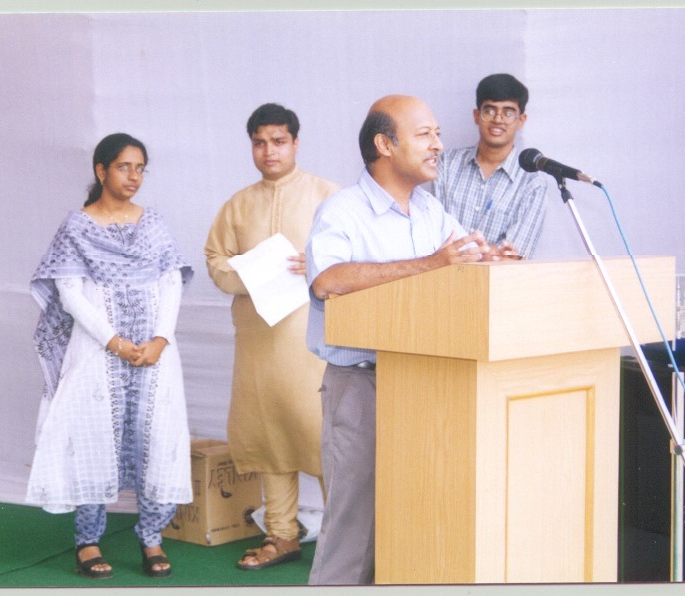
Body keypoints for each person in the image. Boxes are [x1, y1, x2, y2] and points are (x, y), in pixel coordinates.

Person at [305, 95, 509, 585]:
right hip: (362, 387)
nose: (438, 144)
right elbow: (327, 280)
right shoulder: (343, 210)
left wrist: (492, 260)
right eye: (425, 134)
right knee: (354, 527)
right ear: (384, 144)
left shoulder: (430, 210)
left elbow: (461, 268)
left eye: (437, 133)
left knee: (415, 522)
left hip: (428, 388)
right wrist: (434, 264)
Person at [26, 133, 193, 580]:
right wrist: (115, 341)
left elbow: (171, 282)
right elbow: (69, 293)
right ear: (101, 171)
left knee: (156, 438)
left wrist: (160, 340)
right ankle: (88, 541)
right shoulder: (77, 226)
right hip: (99, 352)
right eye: (124, 167)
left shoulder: (153, 224)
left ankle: (151, 537)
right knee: (93, 438)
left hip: (155, 356)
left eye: (140, 168)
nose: (134, 176)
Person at [205, 103, 339, 571]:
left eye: (279, 141)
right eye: (260, 142)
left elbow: (359, 256)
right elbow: (216, 261)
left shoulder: (329, 197)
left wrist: (318, 263)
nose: (269, 151)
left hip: (314, 341)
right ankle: (281, 534)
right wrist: (253, 274)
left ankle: (346, 541)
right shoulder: (238, 205)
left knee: (324, 437)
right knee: (269, 436)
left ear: (296, 143)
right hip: (259, 342)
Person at [433, 73, 547, 258]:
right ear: (477, 116)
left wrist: (467, 252)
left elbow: (513, 258)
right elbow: (435, 237)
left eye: (508, 112)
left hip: (497, 284)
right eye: (490, 110)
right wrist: (489, 251)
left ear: (521, 120)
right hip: (445, 278)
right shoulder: (446, 164)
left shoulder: (532, 183)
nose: (498, 119)